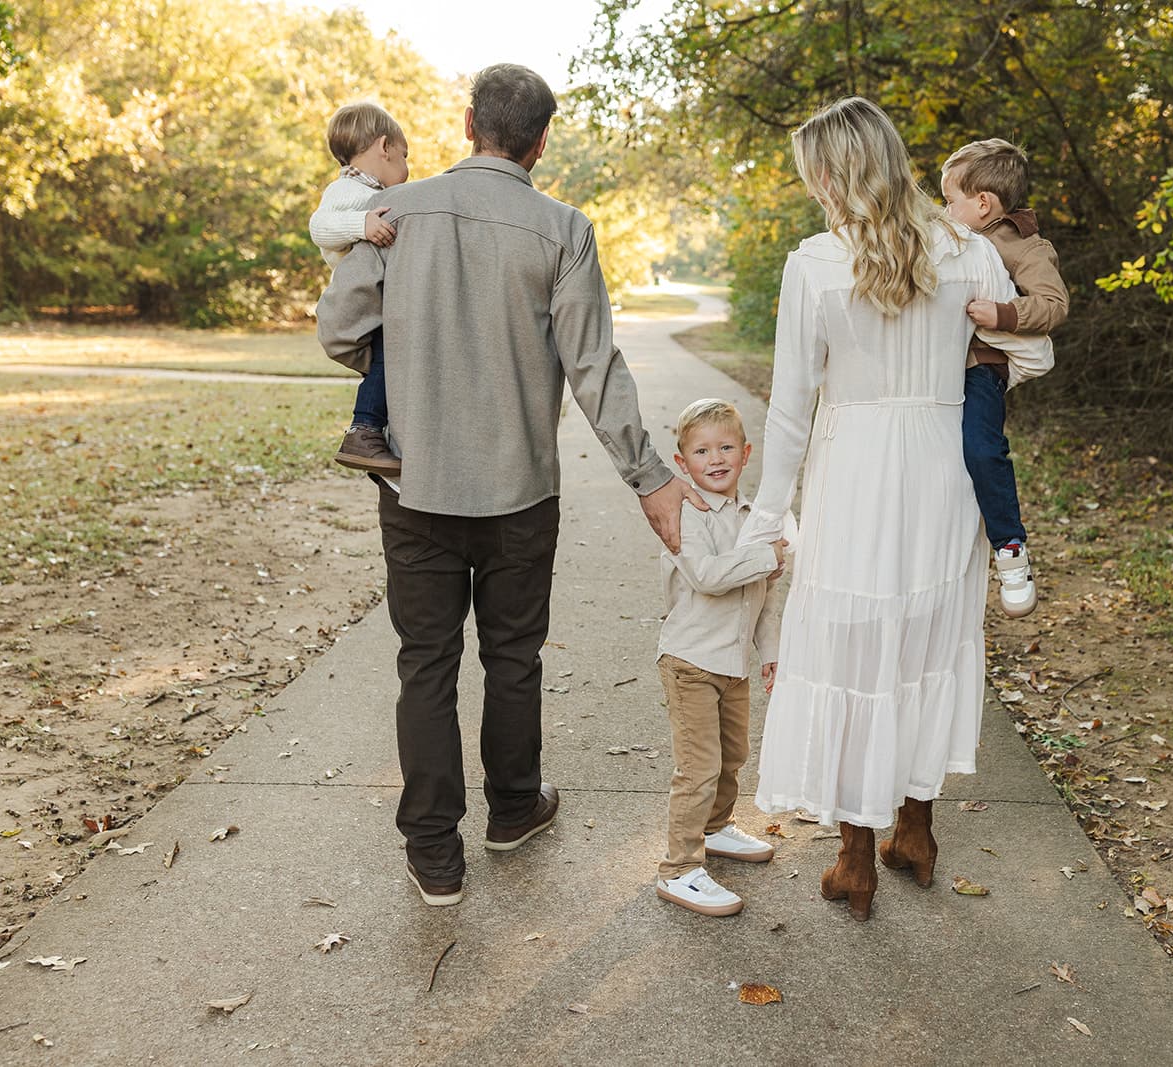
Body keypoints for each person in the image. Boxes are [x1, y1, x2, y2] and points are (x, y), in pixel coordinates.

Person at [316, 64, 702, 908]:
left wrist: (405, 354)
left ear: (467, 124)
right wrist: (649, 477)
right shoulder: (563, 229)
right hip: (521, 489)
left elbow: (338, 330)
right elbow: (594, 366)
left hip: (414, 484)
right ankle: (515, 807)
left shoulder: (394, 213)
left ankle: (434, 855)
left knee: (426, 663)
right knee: (513, 656)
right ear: (542, 141)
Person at [741, 98, 1053, 921]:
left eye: (814, 176)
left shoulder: (815, 263)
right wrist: (969, 375)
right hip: (942, 462)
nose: (813, 190)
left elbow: (790, 407)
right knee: (925, 638)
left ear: (833, 174)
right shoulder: (969, 250)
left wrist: (767, 514)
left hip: (854, 467)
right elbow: (1034, 352)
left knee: (855, 647)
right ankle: (915, 828)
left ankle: (856, 856)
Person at [653, 399, 784, 918]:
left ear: (745, 453)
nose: (716, 459)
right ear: (682, 462)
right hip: (690, 661)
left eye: (726, 447)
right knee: (699, 768)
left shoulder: (753, 519)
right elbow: (707, 576)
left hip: (733, 666)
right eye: (702, 451)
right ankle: (679, 868)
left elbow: (763, 595)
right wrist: (765, 558)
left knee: (733, 756)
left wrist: (770, 652)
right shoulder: (686, 514)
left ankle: (715, 828)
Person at [939, 138, 1069, 618]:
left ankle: (1010, 548)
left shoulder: (1027, 247)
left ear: (982, 203)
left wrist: (1004, 312)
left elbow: (1054, 305)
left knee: (982, 449)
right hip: (936, 363)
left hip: (982, 367)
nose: (945, 210)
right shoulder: (946, 239)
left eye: (950, 200)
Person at [309, 101, 412, 478]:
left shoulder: (369, 191)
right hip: (356, 296)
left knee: (389, 358)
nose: (407, 167)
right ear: (384, 147)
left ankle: (374, 428)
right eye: (404, 155)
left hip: (370, 294)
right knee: (389, 352)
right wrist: (361, 224)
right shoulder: (348, 189)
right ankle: (364, 428)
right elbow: (319, 227)